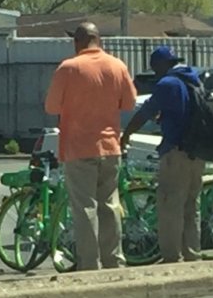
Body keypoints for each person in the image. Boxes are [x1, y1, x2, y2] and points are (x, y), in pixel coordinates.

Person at [44, 22, 137, 271]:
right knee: (109, 205)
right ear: (99, 39)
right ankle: (114, 261)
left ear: (77, 42)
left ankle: (89, 265)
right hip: (110, 147)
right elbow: (129, 103)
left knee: (85, 208)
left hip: (78, 148)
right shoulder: (117, 66)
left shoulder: (68, 68)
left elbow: (51, 107)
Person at [121, 46, 204, 264]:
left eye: (155, 67)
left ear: (161, 64)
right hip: (197, 152)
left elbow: (145, 112)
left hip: (176, 152)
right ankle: (192, 254)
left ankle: (171, 256)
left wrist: (126, 134)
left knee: (169, 204)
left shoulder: (167, 84)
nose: (154, 72)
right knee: (191, 205)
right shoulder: (194, 80)